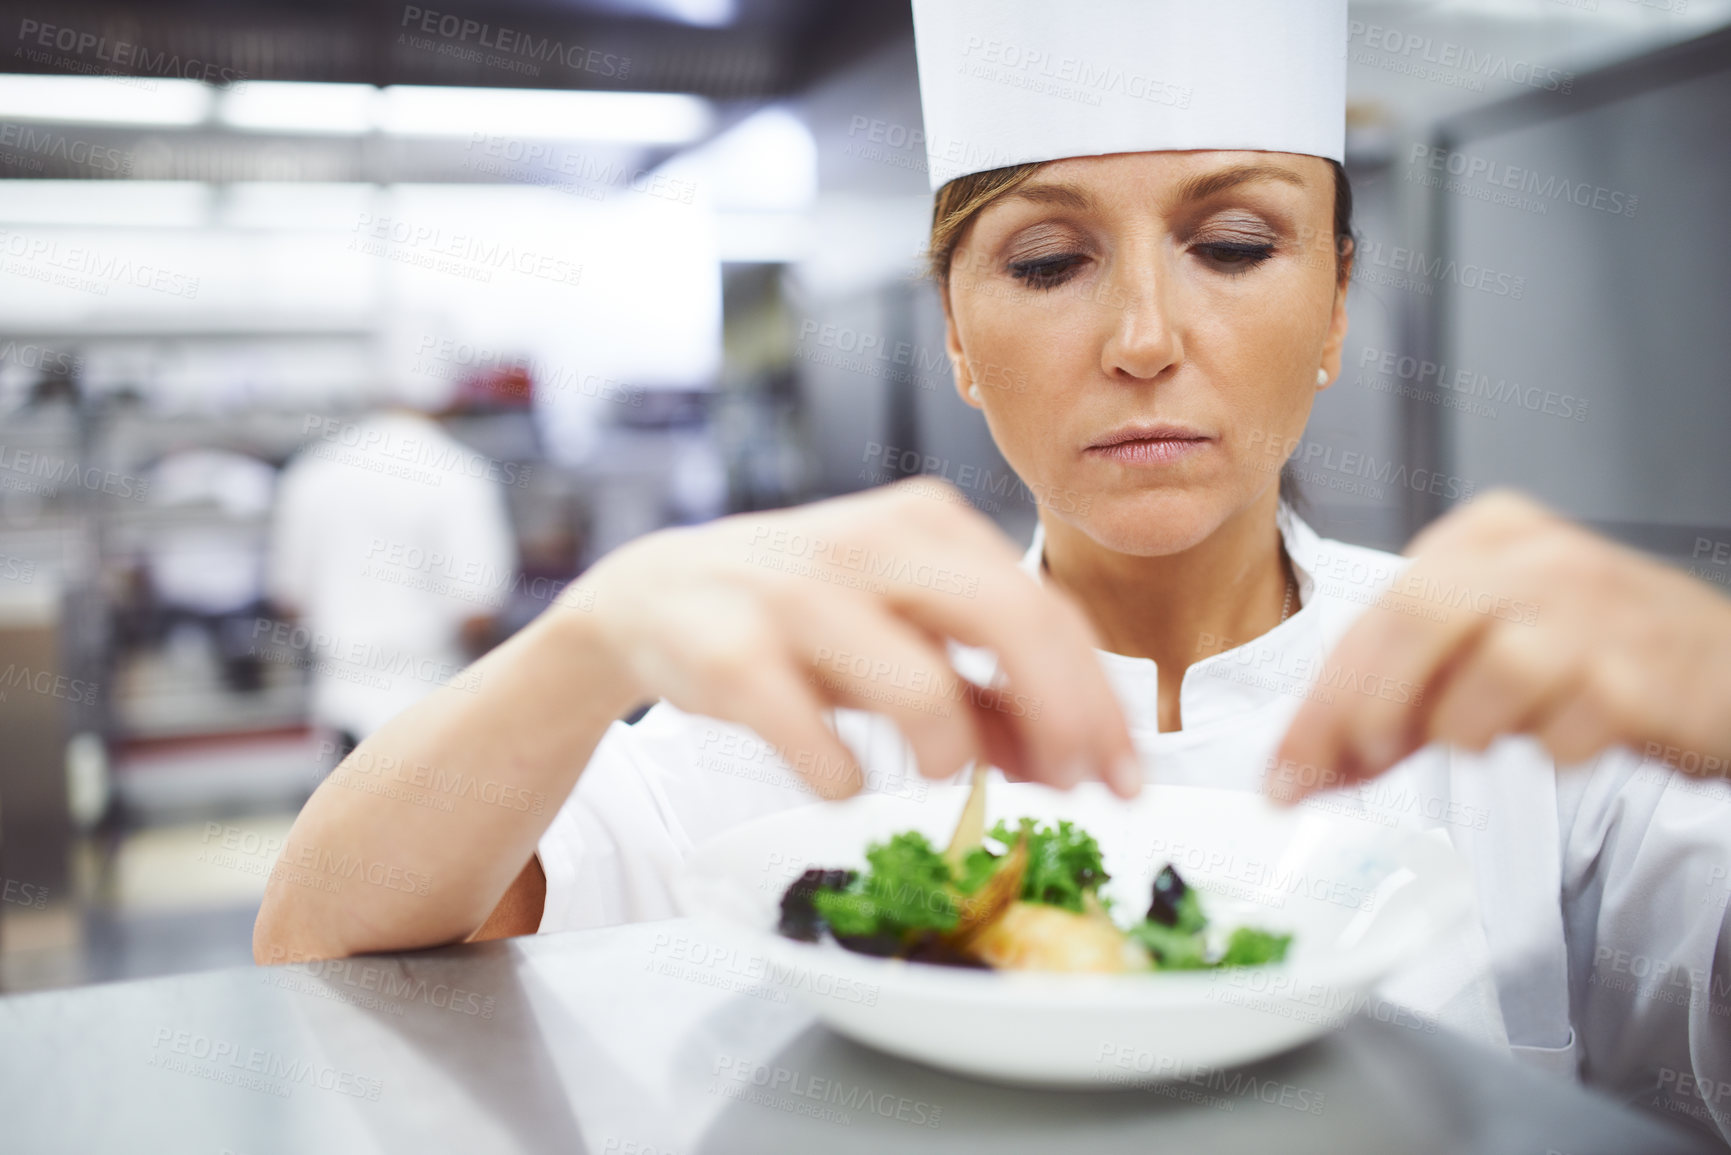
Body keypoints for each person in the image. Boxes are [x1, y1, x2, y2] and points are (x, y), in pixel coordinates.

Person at [254, 0, 1731, 1142]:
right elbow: (319, 942)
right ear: (955, 334)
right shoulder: (821, 705)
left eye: (1230, 242)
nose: (1144, 334)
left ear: (1336, 298)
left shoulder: (1515, 702)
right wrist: (595, 637)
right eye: (1044, 261)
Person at [266, 379, 517, 761]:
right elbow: (477, 613)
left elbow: (288, 598)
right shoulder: (459, 473)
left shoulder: (314, 471)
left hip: (340, 702)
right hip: (432, 702)